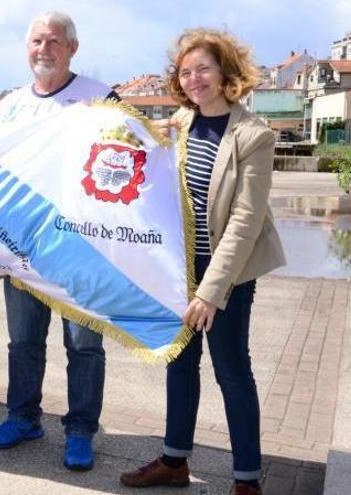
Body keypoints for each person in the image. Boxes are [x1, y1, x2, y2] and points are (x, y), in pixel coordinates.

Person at [119, 28, 285, 495]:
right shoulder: (184, 121)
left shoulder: (254, 136)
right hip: (181, 268)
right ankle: (174, 461)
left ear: (226, 72)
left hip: (228, 273)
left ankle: (247, 480)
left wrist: (212, 292)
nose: (194, 79)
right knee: (180, 363)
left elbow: (245, 221)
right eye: (186, 72)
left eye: (203, 69)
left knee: (232, 370)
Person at [0, 11, 119, 471]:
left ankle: (80, 430)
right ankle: (23, 417)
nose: (44, 49)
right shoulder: (12, 104)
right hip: (24, 244)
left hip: (84, 248)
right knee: (23, 340)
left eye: (54, 41)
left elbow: (128, 163)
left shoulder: (101, 98)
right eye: (37, 40)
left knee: (84, 344)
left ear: (72, 49)